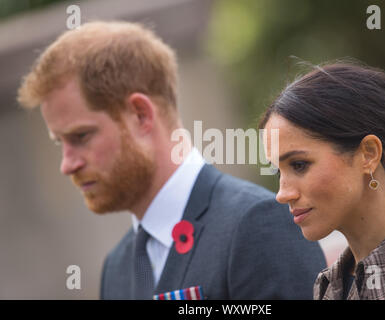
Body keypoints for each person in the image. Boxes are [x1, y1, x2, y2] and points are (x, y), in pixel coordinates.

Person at [17, 21, 326, 300]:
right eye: (60, 143)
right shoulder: (117, 268)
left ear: (140, 115)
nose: (67, 164)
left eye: (81, 136)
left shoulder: (258, 224)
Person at [259, 62, 385, 300]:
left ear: (368, 154)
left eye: (299, 165)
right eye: (279, 172)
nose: (282, 193)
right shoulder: (328, 286)